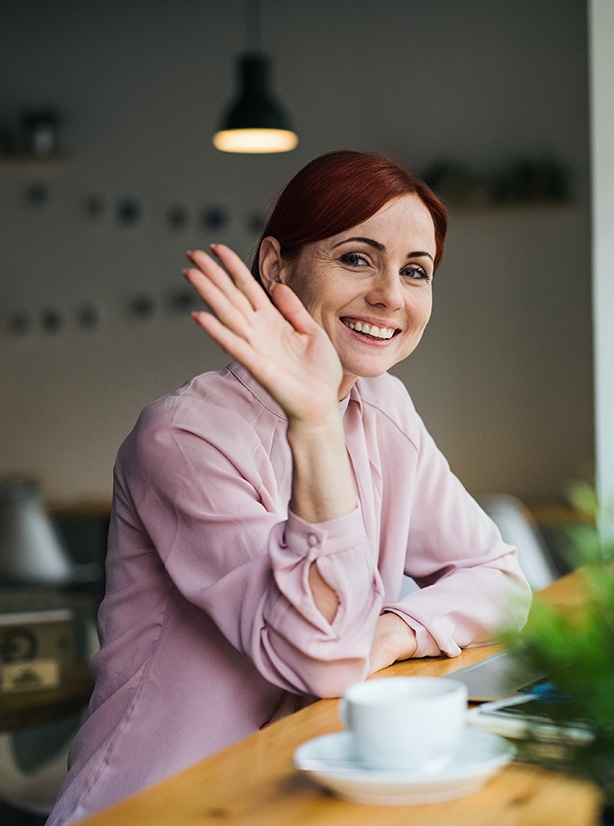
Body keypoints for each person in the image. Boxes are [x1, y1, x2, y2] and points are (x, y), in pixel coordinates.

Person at [46, 150, 531, 825]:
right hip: (158, 804)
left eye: (414, 271)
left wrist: (392, 632)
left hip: (295, 791)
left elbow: (500, 579)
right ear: (276, 266)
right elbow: (326, 663)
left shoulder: (385, 406)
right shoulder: (185, 436)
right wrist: (314, 424)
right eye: (357, 258)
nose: (391, 294)